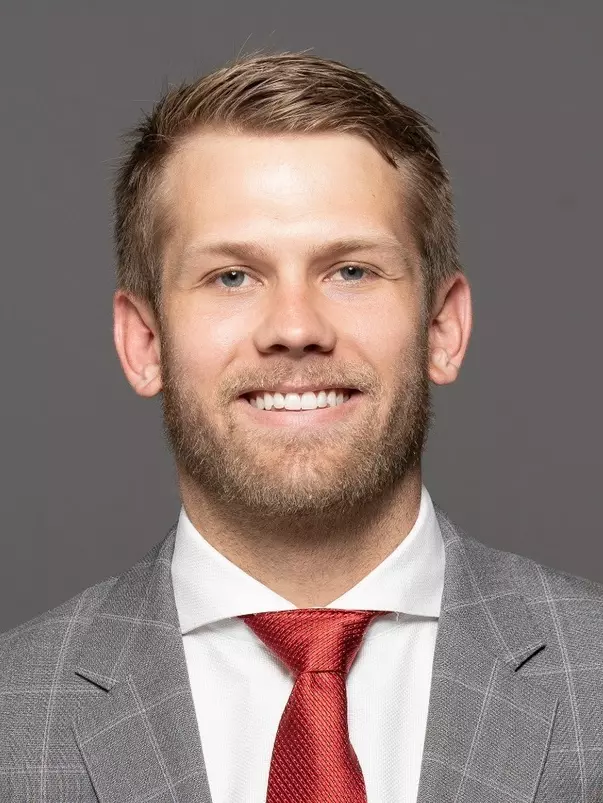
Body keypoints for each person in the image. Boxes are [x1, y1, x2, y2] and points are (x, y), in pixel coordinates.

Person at [1, 50, 601, 803]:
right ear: (144, 343)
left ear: (442, 328)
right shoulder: (11, 718)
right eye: (231, 276)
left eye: (349, 270)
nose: (294, 328)